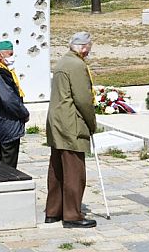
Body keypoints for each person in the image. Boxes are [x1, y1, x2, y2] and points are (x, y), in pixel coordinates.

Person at [45, 32, 98, 228]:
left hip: (57, 122)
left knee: (57, 169)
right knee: (74, 171)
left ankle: (53, 211)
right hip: (71, 123)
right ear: (84, 47)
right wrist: (92, 123)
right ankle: (72, 215)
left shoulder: (63, 62)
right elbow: (83, 100)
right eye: (89, 48)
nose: (89, 51)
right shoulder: (77, 65)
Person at [0, 40, 30, 168]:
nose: (12, 57)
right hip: (8, 122)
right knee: (8, 161)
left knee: (7, 157)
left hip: (7, 122)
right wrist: (23, 113)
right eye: (10, 54)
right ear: (0, 55)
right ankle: (5, 185)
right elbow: (9, 100)